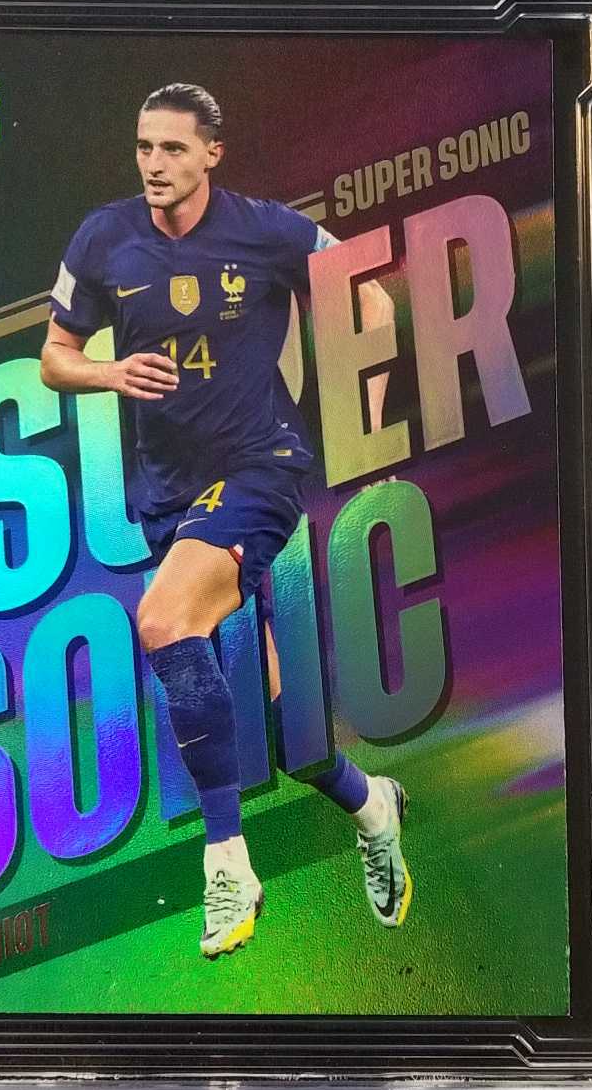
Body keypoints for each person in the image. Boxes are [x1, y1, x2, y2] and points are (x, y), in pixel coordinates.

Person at [39, 82, 413, 957]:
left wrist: (368, 398)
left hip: (258, 469)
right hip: (167, 497)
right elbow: (55, 358)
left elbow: (370, 292)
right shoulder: (103, 237)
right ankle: (372, 805)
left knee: (163, 621)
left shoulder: (268, 230)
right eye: (144, 147)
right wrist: (109, 373)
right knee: (277, 722)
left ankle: (228, 864)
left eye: (173, 148)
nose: (155, 164)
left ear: (212, 153)